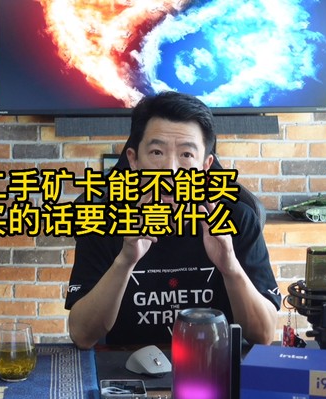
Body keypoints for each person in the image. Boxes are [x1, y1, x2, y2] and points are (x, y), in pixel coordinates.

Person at [64, 91, 280, 349]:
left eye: (186, 155)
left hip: (216, 365)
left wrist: (230, 267)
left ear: (206, 166)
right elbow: (82, 335)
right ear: (133, 160)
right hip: (127, 368)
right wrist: (124, 261)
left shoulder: (237, 219)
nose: (171, 170)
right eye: (157, 152)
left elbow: (263, 335)